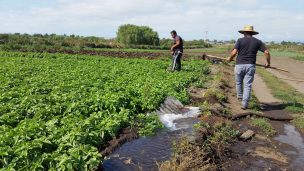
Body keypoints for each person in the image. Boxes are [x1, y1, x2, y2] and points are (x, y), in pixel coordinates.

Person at [227, 26, 271, 109]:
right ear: (252, 33)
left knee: (238, 82)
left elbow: (234, 52)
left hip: (239, 65)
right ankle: (244, 104)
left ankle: (240, 96)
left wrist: (230, 59)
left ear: (244, 33)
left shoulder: (240, 40)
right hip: (250, 65)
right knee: (247, 85)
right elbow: (267, 52)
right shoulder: (258, 42)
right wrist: (268, 63)